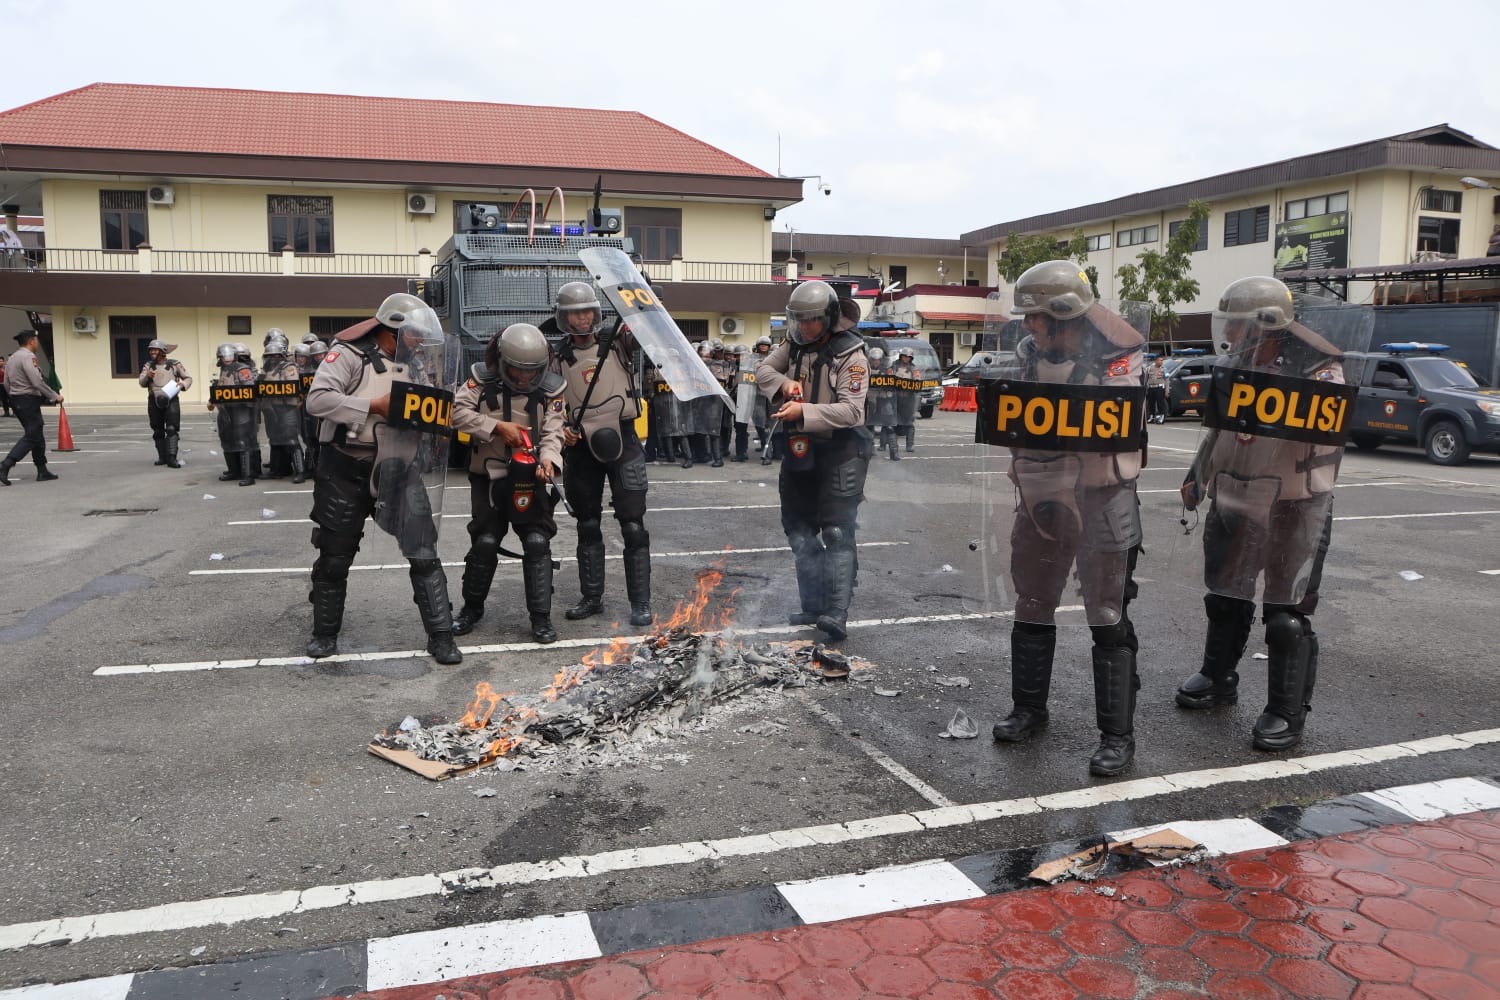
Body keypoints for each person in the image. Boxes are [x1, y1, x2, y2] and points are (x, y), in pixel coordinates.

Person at [1174, 276, 1350, 752]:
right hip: (1235, 493)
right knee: (1225, 597)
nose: (1229, 329)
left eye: (1238, 321)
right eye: (1227, 320)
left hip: (1295, 501)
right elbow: (1216, 428)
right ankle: (1217, 676)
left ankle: (1285, 710)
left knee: (1285, 613)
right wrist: (1199, 471)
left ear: (1266, 324)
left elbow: (1329, 434)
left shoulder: (1316, 367)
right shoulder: (1235, 363)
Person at [988, 260, 1146, 777]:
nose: (1028, 325)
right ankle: (1029, 708)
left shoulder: (1120, 358)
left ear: (1064, 315)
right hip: (1040, 495)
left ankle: (1117, 737)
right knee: (1032, 603)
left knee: (1106, 614)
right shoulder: (1028, 356)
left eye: (1035, 317)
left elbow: (1125, 413)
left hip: (1103, 497)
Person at [304, 292, 462, 665]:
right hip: (347, 468)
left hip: (400, 469)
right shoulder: (347, 356)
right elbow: (318, 400)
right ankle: (324, 634)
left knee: (424, 554)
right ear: (392, 330)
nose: (419, 343)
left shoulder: (418, 364)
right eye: (413, 336)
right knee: (335, 558)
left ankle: (441, 635)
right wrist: (371, 406)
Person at [756, 282, 871, 641]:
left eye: (811, 320)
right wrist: (786, 383)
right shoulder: (793, 344)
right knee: (799, 530)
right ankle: (813, 605)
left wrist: (803, 409)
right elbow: (762, 372)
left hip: (841, 449)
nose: (804, 327)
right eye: (799, 320)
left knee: (837, 531)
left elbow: (852, 411)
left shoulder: (852, 354)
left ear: (830, 317)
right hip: (801, 445)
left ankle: (837, 612)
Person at [449, 324, 566, 643]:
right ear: (502, 360)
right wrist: (497, 426)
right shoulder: (479, 380)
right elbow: (456, 413)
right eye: (517, 370)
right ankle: (471, 609)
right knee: (485, 541)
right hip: (488, 475)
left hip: (531, 477)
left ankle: (541, 618)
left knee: (536, 543)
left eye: (532, 371)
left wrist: (550, 461)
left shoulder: (553, 388)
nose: (525, 378)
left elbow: (554, 431)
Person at [549, 281, 655, 627]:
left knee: (634, 525)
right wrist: (560, 428)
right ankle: (591, 597)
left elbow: (647, 321)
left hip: (622, 438)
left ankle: (640, 601)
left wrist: (642, 293)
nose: (582, 319)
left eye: (587, 311)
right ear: (563, 318)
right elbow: (547, 405)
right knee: (587, 523)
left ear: (596, 312)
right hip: (579, 444)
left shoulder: (619, 342)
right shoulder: (555, 357)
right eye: (574, 313)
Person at [0, 330, 63, 485]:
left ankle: (42, 470)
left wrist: (14, 396)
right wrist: (54, 395)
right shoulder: (28, 357)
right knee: (32, 435)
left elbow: (7, 383)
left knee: (37, 434)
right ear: (30, 341)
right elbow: (37, 381)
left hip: (17, 400)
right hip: (28, 400)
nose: (37, 343)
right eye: (35, 340)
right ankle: (5, 465)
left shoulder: (13, 358)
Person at [206, 342, 259, 486]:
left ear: (235, 356)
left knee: (243, 442)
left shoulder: (242, 369)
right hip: (225, 411)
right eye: (224, 356)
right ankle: (234, 471)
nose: (227, 358)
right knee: (227, 441)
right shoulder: (222, 370)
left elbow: (250, 390)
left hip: (240, 410)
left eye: (229, 355)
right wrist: (212, 400)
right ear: (220, 357)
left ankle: (248, 474)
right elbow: (219, 389)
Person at [258, 334, 307, 483]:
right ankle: (277, 470)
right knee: (275, 440)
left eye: (275, 355)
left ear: (281, 354)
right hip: (270, 409)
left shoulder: (289, 367)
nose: (272, 357)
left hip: (286, 409)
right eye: (269, 355)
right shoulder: (265, 370)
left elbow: (291, 387)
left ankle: (300, 471)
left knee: (291, 440)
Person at [137, 339, 192, 468]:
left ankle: (172, 458)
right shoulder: (148, 365)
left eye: (155, 350)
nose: (152, 352)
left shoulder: (174, 364)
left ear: (163, 351)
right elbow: (141, 382)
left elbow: (188, 378)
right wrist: (147, 377)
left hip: (171, 399)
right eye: (151, 350)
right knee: (157, 430)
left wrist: (182, 384)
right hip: (153, 399)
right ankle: (162, 456)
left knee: (171, 429)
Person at [891, 346, 921, 458]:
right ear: (901, 356)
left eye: (908, 357)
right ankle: (892, 445)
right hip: (895, 398)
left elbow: (917, 380)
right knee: (892, 422)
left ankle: (910, 445)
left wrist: (916, 382)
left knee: (909, 423)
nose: (906, 358)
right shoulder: (894, 366)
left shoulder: (914, 368)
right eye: (904, 356)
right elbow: (888, 377)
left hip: (909, 399)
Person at [1145, 356, 1169, 424]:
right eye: (1160, 360)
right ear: (1156, 361)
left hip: (1160, 388)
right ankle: (1151, 417)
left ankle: (1161, 417)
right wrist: (1146, 389)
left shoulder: (1164, 369)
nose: (1161, 362)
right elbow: (1145, 379)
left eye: (1162, 360)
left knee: (1160, 403)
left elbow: (1167, 380)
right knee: (1151, 403)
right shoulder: (1149, 368)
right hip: (1151, 388)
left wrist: (1167, 390)